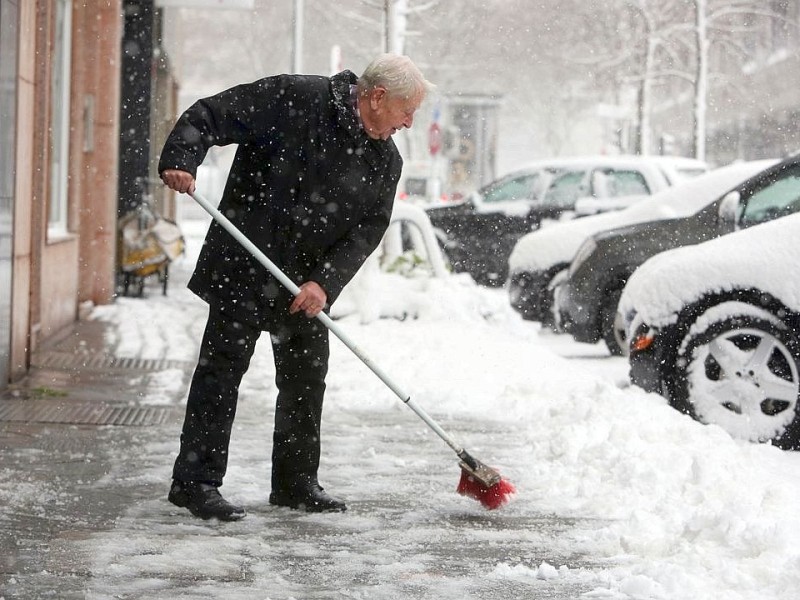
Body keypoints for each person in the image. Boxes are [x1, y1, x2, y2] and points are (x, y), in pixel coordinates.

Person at [159, 54, 432, 521]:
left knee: (306, 382)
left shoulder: (384, 160)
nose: (409, 123)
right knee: (220, 375)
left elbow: (367, 230)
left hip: (304, 289)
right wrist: (182, 158)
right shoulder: (295, 99)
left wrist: (324, 284)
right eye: (406, 111)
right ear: (377, 96)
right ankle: (195, 483)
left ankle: (295, 484)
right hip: (244, 269)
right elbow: (211, 114)